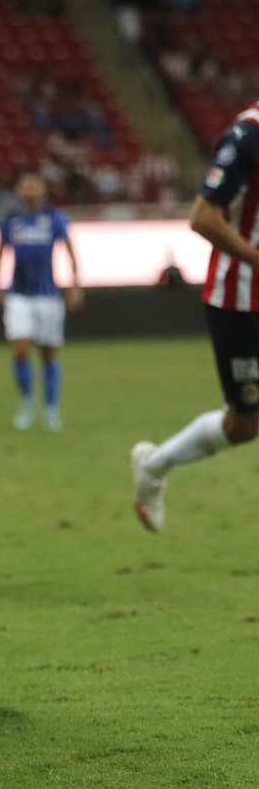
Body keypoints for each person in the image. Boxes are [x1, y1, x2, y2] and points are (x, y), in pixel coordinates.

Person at [132, 100, 259, 531]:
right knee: (243, 425)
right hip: (240, 299)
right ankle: (155, 465)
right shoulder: (249, 135)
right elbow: (203, 218)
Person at [0, 170, 83, 431]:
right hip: (18, 295)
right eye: (25, 185)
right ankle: (27, 402)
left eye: (34, 185)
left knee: (49, 353)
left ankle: (51, 408)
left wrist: (75, 286)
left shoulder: (54, 218)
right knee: (20, 349)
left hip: (48, 295)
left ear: (43, 189)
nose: (29, 189)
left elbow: (71, 252)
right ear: (18, 189)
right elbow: (0, 254)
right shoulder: (10, 220)